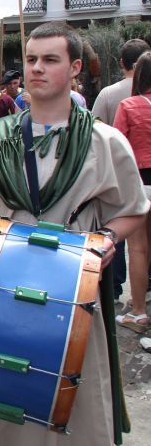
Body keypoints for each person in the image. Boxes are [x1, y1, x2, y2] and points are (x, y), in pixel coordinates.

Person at [0, 22, 148, 446]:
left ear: (75, 68)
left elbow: (132, 210)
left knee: (79, 400)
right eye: (32, 60)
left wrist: (109, 238)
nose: (37, 68)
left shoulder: (104, 141)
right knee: (8, 399)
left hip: (73, 293)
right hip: (0, 290)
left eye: (50, 60)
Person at [92, 38, 151, 303]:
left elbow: (114, 144)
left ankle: (132, 304)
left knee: (134, 246)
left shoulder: (123, 101)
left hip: (136, 179)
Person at [113, 50, 151, 332]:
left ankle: (138, 312)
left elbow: (117, 148)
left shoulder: (130, 105)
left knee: (138, 249)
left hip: (141, 182)